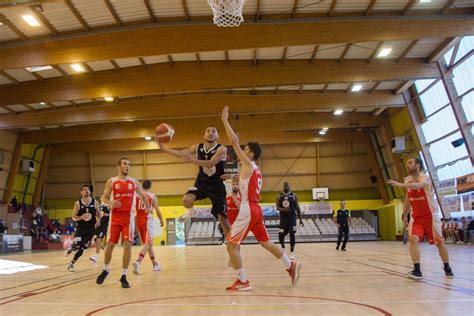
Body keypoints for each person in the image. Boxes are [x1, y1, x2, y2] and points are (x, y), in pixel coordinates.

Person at [221, 106, 301, 291]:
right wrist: (233, 179)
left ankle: (243, 281)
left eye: (245, 149)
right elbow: (246, 184)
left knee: (231, 245)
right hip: (256, 209)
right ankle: (291, 265)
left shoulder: (247, 163)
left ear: (250, 154)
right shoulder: (255, 169)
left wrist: (225, 121)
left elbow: (233, 141)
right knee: (266, 242)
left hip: (248, 209)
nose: (242, 150)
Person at [387, 157, 454, 280]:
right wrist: (405, 215)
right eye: (407, 163)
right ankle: (417, 270)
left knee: (439, 243)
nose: (407, 165)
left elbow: (418, 185)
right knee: (413, 239)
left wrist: (400, 184)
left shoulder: (425, 177)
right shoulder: (408, 180)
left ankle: (447, 266)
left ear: (417, 165)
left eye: (410, 163)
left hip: (430, 217)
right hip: (416, 217)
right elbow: (408, 199)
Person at [158, 126, 230, 237]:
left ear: (217, 136)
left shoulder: (222, 149)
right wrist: (163, 148)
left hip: (217, 186)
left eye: (214, 131)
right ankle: (192, 212)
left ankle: (232, 242)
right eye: (208, 131)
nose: (210, 133)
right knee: (186, 200)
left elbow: (211, 163)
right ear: (204, 135)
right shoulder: (197, 147)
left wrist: (193, 160)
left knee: (223, 220)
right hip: (201, 184)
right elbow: (181, 153)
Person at [96, 157, 151, 288]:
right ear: (118, 166)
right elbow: (103, 197)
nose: (128, 166)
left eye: (129, 164)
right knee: (110, 245)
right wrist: (110, 203)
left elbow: (143, 196)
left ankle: (124, 276)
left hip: (129, 218)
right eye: (125, 164)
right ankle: (106, 270)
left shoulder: (134, 182)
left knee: (127, 245)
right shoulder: (112, 181)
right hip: (114, 218)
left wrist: (148, 208)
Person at [65, 184, 100, 272]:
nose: (86, 191)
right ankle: (71, 249)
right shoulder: (78, 203)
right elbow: (73, 217)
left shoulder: (95, 202)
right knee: (76, 246)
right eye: (84, 189)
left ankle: (71, 264)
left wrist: (99, 220)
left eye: (88, 189)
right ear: (81, 192)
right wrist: (81, 217)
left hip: (90, 229)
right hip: (80, 228)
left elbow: (99, 213)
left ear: (90, 191)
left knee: (82, 249)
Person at [133, 179, 164, 274]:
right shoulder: (152, 196)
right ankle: (138, 261)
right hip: (147, 221)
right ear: (150, 186)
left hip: (138, 220)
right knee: (148, 243)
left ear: (142, 186)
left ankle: (155, 264)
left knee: (148, 244)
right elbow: (157, 210)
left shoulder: (137, 196)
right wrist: (161, 220)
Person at [276, 182, 303, 260]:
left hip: (292, 218)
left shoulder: (294, 196)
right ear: (283, 187)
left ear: (290, 186)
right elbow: (277, 207)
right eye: (284, 185)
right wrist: (284, 209)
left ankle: (292, 252)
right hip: (283, 218)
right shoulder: (279, 196)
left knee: (292, 234)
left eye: (287, 185)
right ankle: (283, 248)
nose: (286, 186)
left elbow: (297, 208)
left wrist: (300, 220)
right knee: (280, 234)